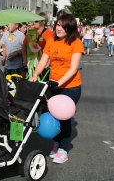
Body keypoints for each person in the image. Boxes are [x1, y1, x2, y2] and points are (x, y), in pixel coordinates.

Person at [29, 13, 84, 164]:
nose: (59, 28)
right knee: (49, 115)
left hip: (70, 87)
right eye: (57, 25)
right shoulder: (52, 41)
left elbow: (73, 69)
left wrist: (59, 83)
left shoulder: (76, 43)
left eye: (62, 26)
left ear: (70, 27)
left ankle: (63, 149)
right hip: (53, 84)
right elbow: (42, 61)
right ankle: (57, 142)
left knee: (63, 117)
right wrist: (35, 75)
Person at [22, 12, 54, 79]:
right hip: (31, 62)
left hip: (43, 64)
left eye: (36, 21)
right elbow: (24, 45)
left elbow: (52, 50)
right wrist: (25, 59)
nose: (34, 22)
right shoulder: (31, 31)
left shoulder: (50, 34)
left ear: (43, 22)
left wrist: (48, 61)